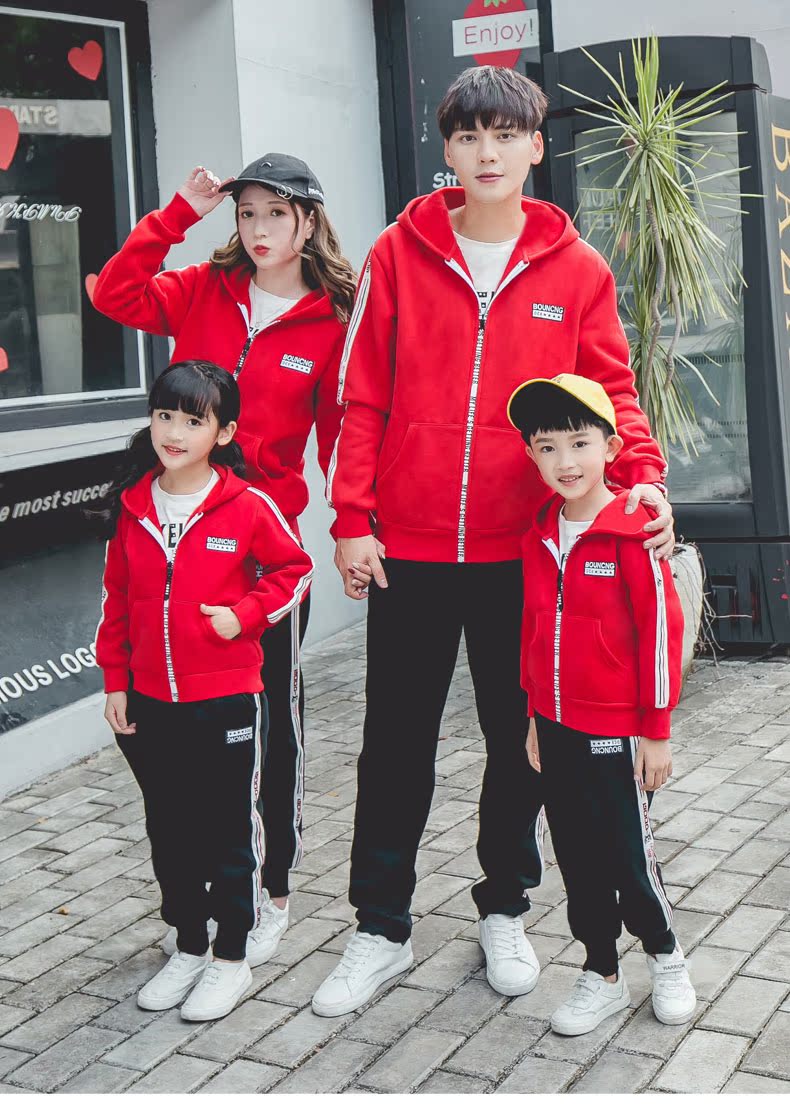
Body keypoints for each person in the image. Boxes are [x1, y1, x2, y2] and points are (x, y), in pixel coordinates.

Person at [313, 65, 675, 1019]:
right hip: (412, 548)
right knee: (395, 743)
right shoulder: (397, 253)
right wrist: (351, 519)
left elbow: (612, 392)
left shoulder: (577, 270)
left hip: (527, 554)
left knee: (522, 746)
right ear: (447, 148)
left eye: (505, 136)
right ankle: (379, 925)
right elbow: (361, 397)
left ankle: (504, 905)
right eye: (469, 135)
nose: (486, 152)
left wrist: (642, 478)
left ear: (535, 147)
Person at [93, 154, 355, 961]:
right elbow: (114, 293)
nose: (259, 229)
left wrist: (352, 525)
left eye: (276, 213)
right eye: (247, 214)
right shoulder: (203, 288)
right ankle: (203, 888)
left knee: (268, 728)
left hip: (260, 554)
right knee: (178, 733)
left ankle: (271, 888)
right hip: (176, 537)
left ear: (308, 220)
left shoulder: (331, 320)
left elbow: (341, 437)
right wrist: (179, 213)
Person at [96, 360, 313, 1021]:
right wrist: (116, 681)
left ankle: (230, 956)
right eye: (164, 415)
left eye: (193, 421)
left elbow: (294, 570)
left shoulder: (246, 505)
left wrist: (243, 615)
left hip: (225, 699)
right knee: (170, 829)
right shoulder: (134, 506)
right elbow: (117, 600)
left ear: (224, 433)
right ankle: (190, 944)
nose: (174, 432)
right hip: (152, 700)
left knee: (228, 829)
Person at [508, 373, 696, 1036]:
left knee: (627, 856)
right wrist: (534, 714)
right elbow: (534, 631)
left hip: (618, 733)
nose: (565, 461)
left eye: (580, 443)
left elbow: (660, 631)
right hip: (557, 727)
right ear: (532, 455)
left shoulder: (632, 529)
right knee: (577, 856)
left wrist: (656, 730)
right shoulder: (538, 535)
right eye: (548, 447)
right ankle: (601, 972)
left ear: (612, 447)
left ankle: (665, 953)